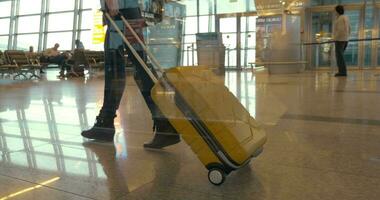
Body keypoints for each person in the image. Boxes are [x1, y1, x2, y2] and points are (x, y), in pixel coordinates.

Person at [81, 0, 180, 149]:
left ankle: (164, 124)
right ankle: (106, 124)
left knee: (124, 70)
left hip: (121, 13)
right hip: (127, 13)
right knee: (138, 68)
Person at [333, 5, 351, 77]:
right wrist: (347, 37)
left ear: (337, 11)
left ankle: (342, 72)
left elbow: (340, 30)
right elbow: (349, 28)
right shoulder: (346, 17)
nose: (334, 12)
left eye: (335, 11)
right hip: (345, 39)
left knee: (339, 56)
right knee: (341, 56)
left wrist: (335, 38)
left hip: (340, 40)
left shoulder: (340, 19)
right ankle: (342, 71)